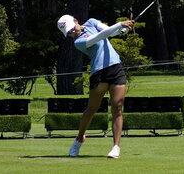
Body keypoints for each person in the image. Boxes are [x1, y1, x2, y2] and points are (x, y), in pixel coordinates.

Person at [57, 14, 135, 159]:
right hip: (99, 73)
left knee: (117, 107)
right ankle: (79, 138)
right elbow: (99, 36)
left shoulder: (92, 22)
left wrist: (122, 29)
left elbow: (109, 31)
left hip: (115, 68)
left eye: (72, 29)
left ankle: (115, 147)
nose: (72, 33)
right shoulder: (78, 42)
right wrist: (120, 25)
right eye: (68, 33)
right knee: (92, 108)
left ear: (76, 21)